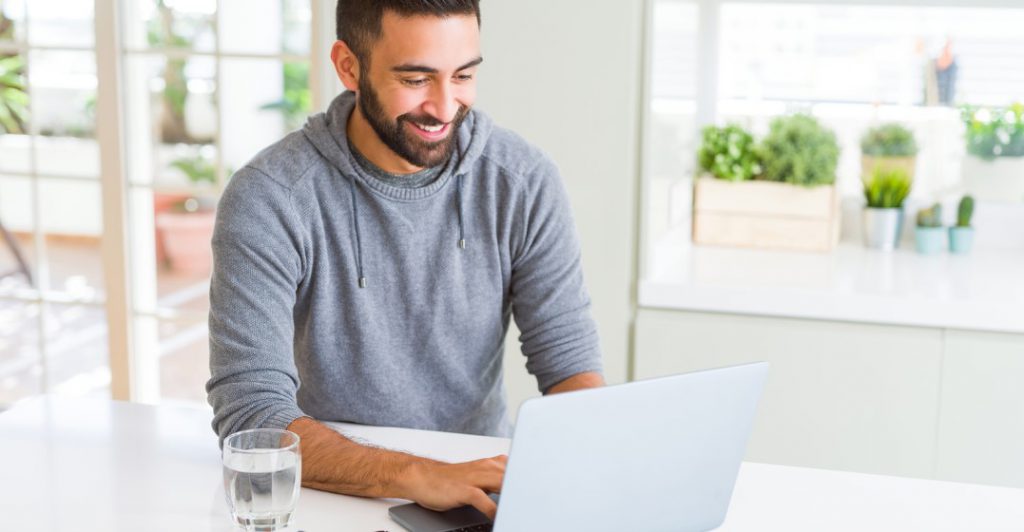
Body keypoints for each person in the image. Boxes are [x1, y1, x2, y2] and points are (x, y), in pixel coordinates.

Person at [205, 0, 604, 520]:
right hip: (330, 492)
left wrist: (598, 456)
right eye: (416, 79)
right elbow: (252, 417)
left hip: (478, 491)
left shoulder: (522, 181)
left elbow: (568, 360)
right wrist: (418, 475)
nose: (443, 107)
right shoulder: (270, 197)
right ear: (349, 66)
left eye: (462, 75)